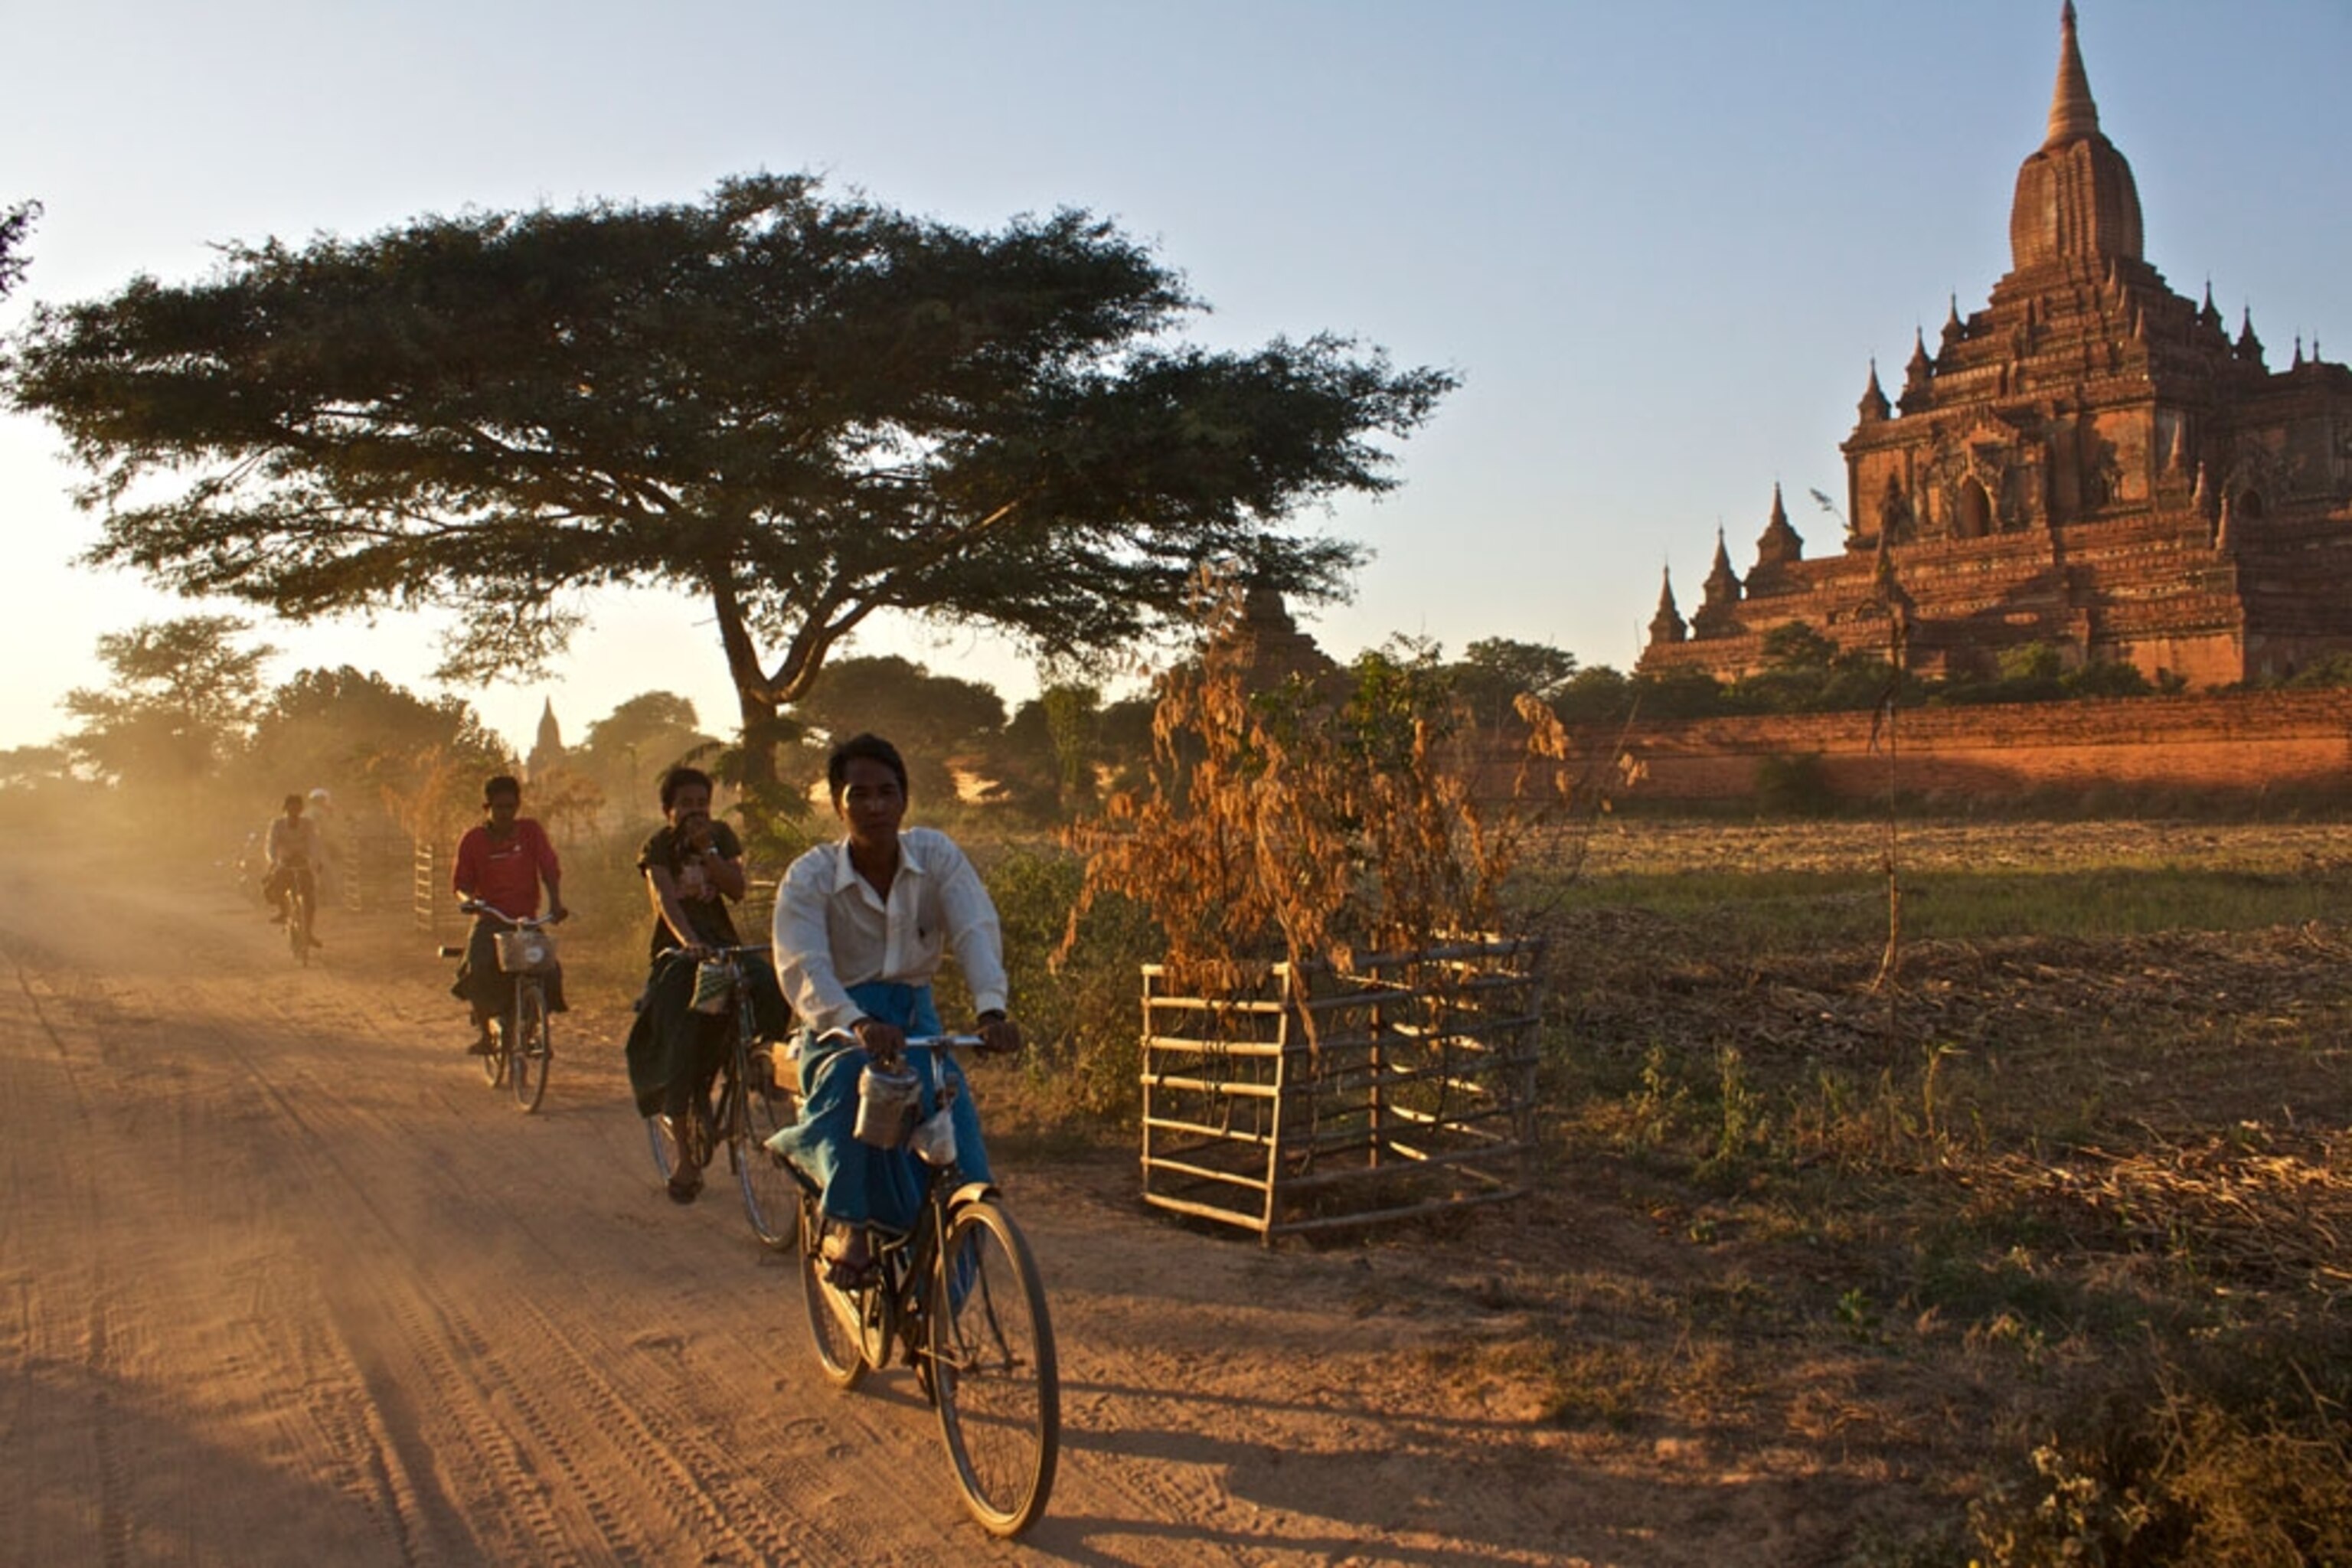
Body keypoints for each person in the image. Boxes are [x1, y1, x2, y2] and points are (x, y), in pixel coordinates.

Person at [768, 733, 1022, 1285]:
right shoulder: (809, 877)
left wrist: (992, 1011)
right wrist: (855, 1022)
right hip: (839, 1028)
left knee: (960, 1151)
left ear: (905, 799)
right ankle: (852, 1228)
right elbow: (804, 965)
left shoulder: (935, 856)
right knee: (857, 1092)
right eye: (859, 794)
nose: (875, 806)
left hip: (916, 1024)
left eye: (887, 792)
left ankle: (937, 1316)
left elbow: (975, 927)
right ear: (838, 803)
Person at [622, 766, 787, 1204]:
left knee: (769, 983)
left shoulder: (721, 837)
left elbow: (737, 889)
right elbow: (665, 901)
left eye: (702, 804)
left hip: (724, 947)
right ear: (668, 810)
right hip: (681, 955)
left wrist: (709, 851)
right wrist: (692, 943)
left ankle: (758, 1064)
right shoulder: (659, 846)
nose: (696, 812)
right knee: (683, 1034)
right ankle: (685, 1159)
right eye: (687, 805)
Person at [449, 774, 569, 1054]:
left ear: (518, 806)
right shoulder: (473, 840)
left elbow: (549, 868)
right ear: (486, 807)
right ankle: (486, 1036)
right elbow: (460, 885)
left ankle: (534, 1026)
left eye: (510, 807)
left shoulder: (531, 832)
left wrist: (555, 903)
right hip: (490, 919)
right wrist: (470, 902)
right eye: (499, 807)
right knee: (477, 967)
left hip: (525, 920)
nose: (505, 813)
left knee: (547, 968)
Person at [261, 792, 325, 946]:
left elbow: (314, 843)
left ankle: (308, 932)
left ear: (301, 809)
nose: (294, 812)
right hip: (284, 862)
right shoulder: (277, 824)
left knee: (309, 899)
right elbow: (271, 846)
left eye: (297, 809)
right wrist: (273, 861)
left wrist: (315, 861)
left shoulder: (308, 824)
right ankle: (284, 912)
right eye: (291, 809)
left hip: (303, 862)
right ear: (285, 809)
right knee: (277, 887)